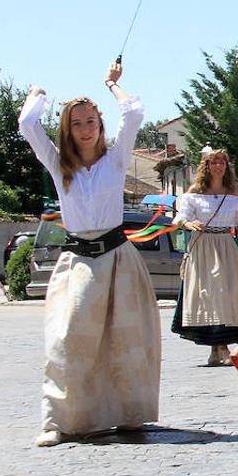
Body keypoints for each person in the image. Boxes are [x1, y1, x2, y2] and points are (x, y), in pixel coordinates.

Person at [18, 62, 160, 447]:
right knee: (67, 338)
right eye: (77, 122)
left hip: (118, 258)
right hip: (78, 260)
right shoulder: (58, 164)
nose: (86, 128)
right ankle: (59, 421)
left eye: (91, 120)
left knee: (125, 341)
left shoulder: (116, 159)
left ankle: (130, 414)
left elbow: (133, 113)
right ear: (68, 128)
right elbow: (29, 126)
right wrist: (39, 96)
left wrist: (112, 85)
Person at [172, 148, 238, 367]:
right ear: (206, 166)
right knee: (210, 295)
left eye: (222, 162)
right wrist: (190, 224)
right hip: (203, 246)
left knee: (228, 293)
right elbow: (181, 218)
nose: (218, 166)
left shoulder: (233, 191)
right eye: (213, 162)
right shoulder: (195, 190)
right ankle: (217, 349)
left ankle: (222, 347)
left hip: (225, 246)